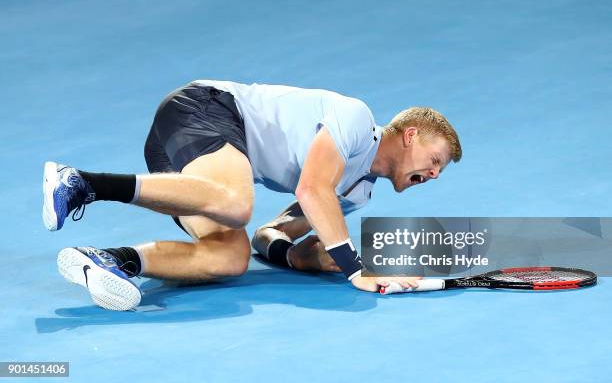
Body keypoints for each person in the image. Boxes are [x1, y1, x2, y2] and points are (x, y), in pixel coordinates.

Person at [43, 80, 462, 311]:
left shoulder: (358, 192)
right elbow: (313, 188)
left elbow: (269, 234)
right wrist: (356, 269)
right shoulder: (356, 118)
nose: (434, 173)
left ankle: (110, 260)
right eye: (435, 159)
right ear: (409, 136)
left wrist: (298, 256)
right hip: (206, 111)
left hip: (192, 163)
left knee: (230, 258)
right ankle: (82, 182)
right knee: (235, 202)